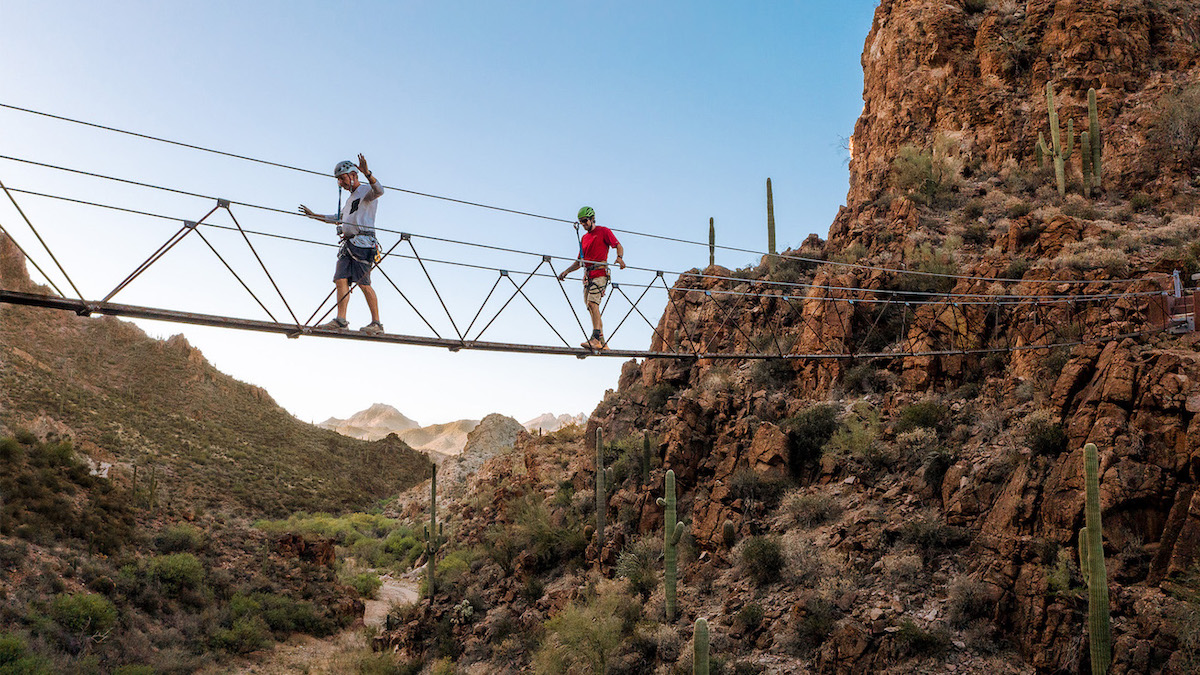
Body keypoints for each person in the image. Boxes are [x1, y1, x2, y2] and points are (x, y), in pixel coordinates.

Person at [299, 154, 385, 334]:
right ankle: (341, 320)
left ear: (353, 175)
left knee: (363, 283)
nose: (341, 183)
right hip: (349, 245)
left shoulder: (365, 191)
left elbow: (379, 190)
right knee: (340, 279)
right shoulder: (350, 200)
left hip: (363, 244)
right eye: (339, 180)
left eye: (343, 178)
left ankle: (376, 323)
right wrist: (314, 215)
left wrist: (367, 173)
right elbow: (338, 218)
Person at [557, 206, 625, 350]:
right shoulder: (584, 238)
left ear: (592, 218)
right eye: (581, 222)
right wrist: (566, 271)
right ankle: (603, 342)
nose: (583, 224)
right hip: (588, 276)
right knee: (591, 307)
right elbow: (580, 262)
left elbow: (618, 245)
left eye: (585, 221)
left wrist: (619, 258)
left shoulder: (603, 231)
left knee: (593, 304)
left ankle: (595, 339)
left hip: (600, 274)